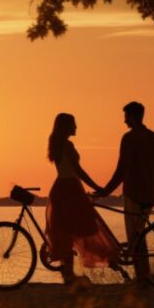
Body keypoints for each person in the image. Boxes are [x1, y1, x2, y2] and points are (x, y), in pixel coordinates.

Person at [94, 101, 154, 282]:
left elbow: (122, 170)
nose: (124, 121)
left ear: (131, 116)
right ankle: (144, 276)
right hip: (150, 195)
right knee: (139, 237)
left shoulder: (129, 138)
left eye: (125, 117)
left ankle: (143, 278)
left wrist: (105, 190)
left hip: (133, 194)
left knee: (135, 239)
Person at [45, 113, 121, 284]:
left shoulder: (57, 144)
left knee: (66, 232)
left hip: (61, 188)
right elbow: (78, 171)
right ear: (66, 127)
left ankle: (68, 274)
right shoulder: (67, 145)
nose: (76, 127)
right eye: (74, 124)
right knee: (87, 226)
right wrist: (98, 187)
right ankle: (110, 259)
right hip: (70, 188)